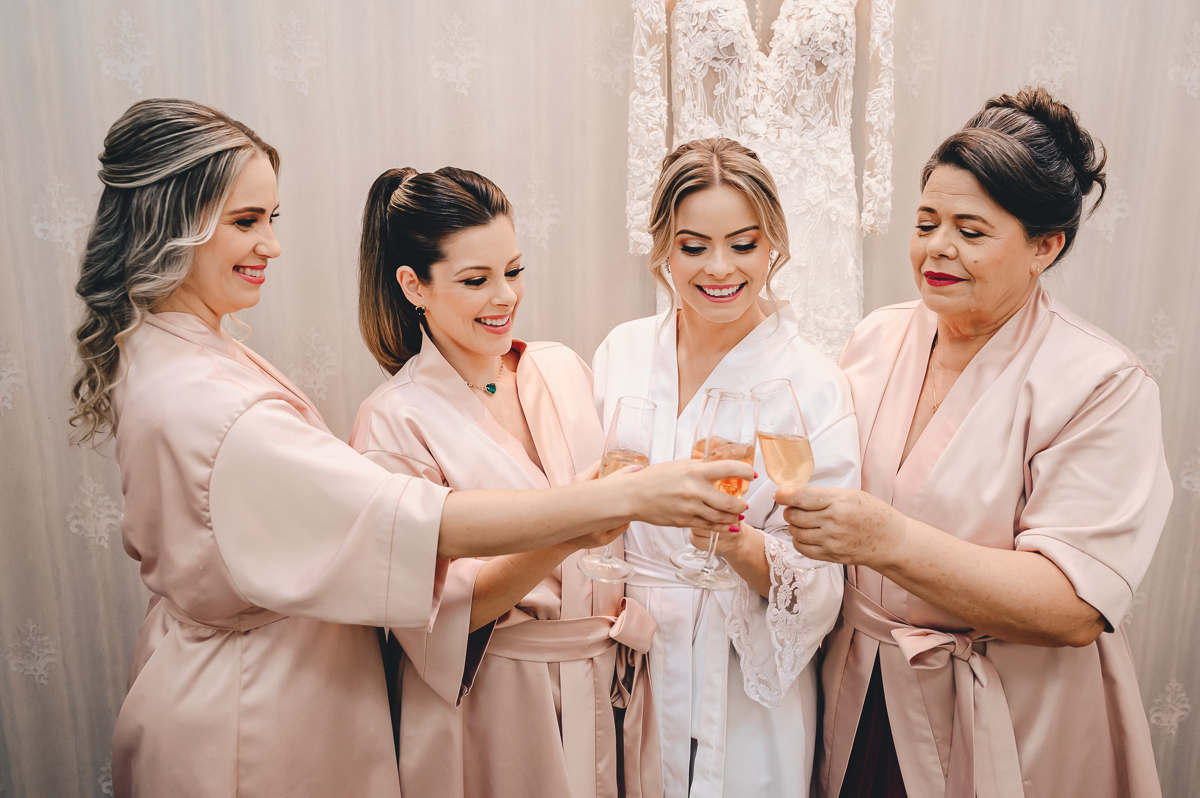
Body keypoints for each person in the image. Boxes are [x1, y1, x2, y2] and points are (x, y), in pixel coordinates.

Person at [70, 99, 751, 798]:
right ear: (413, 286)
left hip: (599, 695)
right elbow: (416, 530)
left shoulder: (559, 368)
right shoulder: (264, 407)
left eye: (272, 219)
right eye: (247, 221)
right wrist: (604, 504)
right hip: (294, 712)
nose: (272, 244)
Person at [781, 87, 1171, 798]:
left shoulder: (1102, 384)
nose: (938, 248)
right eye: (926, 222)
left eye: (971, 229)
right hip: (860, 685)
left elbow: (1073, 605)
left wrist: (885, 539)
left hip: (1009, 710)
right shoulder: (878, 337)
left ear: (1044, 247)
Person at [350, 166, 661, 798]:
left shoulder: (559, 367)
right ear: (414, 285)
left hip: (606, 684)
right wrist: (573, 525)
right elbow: (426, 614)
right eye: (475, 280)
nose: (505, 297)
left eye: (513, 271)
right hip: (497, 703)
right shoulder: (392, 421)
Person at [592, 138, 861, 798]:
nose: (720, 268)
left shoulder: (812, 383)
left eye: (743, 244)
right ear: (662, 246)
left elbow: (826, 576)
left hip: (746, 686)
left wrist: (733, 539)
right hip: (631, 662)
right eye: (693, 246)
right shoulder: (621, 353)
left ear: (773, 244)